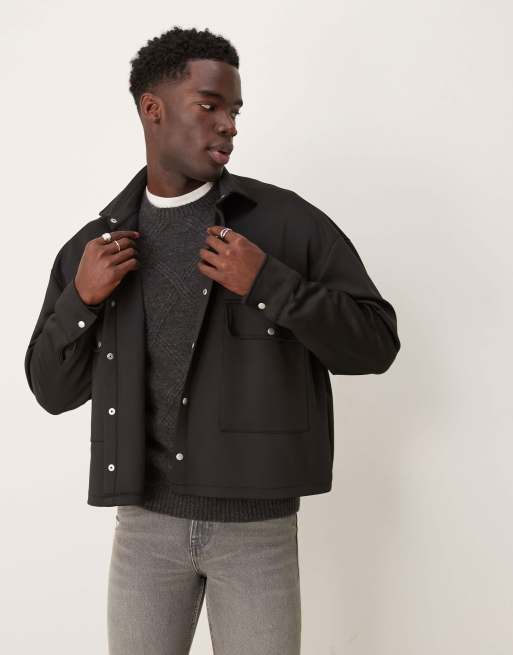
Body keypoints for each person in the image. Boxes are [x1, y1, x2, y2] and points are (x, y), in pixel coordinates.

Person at [24, 26, 401, 655]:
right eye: (209, 105)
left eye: (235, 111)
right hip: (144, 532)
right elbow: (50, 389)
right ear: (153, 108)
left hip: (257, 533)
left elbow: (376, 344)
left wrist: (270, 284)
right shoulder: (95, 247)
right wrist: (81, 300)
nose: (228, 125)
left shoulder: (286, 225)